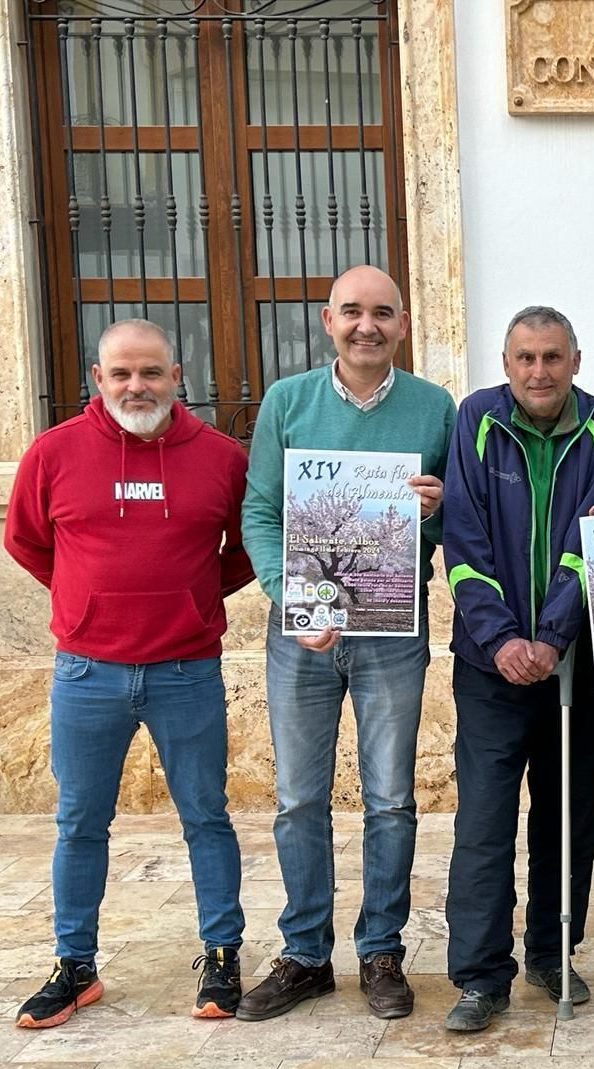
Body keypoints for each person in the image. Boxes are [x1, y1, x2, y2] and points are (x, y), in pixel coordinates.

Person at [3, 319, 254, 1027]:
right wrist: (86, 601)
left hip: (186, 670)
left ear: (178, 377)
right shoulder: (53, 454)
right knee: (80, 821)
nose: (135, 386)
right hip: (87, 673)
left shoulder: (220, 458)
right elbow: (26, 541)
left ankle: (222, 955)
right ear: (97, 378)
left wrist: (193, 595)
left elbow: (246, 546)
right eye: (121, 374)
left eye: (150, 373)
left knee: (206, 816)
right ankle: (73, 965)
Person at [237, 265, 454, 1022]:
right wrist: (288, 597)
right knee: (299, 798)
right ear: (328, 321)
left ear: (402, 325)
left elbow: (440, 529)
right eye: (353, 312)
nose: (368, 325)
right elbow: (260, 512)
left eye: (383, 313)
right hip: (303, 633)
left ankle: (381, 951)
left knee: (391, 799)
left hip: (392, 631)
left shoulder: (436, 409)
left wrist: (438, 506)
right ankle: (303, 954)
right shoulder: (287, 402)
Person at [441, 305, 594, 1032]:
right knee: (484, 823)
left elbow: (590, 537)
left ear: (575, 359)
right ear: (506, 361)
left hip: (572, 662)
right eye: (525, 358)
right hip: (488, 666)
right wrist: (502, 640)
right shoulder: (475, 419)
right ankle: (482, 977)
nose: (539, 372)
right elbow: (463, 537)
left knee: (569, 816)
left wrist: (550, 637)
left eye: (552, 357)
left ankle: (552, 953)